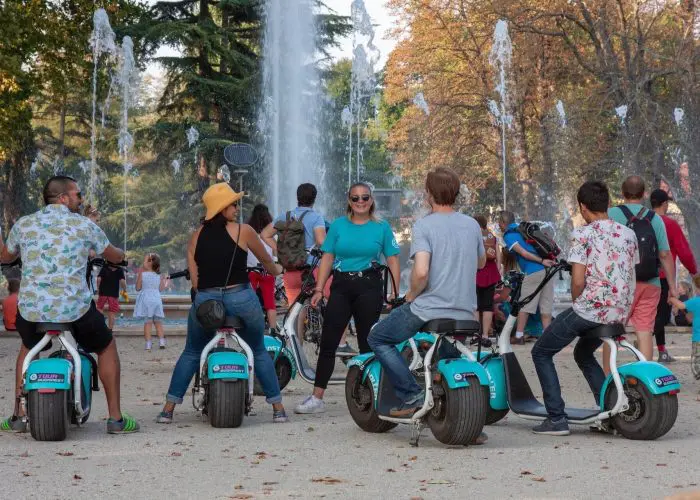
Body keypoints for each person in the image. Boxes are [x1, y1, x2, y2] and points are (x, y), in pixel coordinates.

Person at [0, 175, 139, 434]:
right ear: (63, 198)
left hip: (31, 311)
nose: (81, 199)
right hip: (75, 310)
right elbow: (113, 254)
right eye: (77, 195)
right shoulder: (84, 225)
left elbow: (6, 255)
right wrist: (121, 258)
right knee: (106, 346)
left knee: (28, 348)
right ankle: (116, 419)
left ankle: (18, 416)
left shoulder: (24, 224)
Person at [156, 182, 288, 424]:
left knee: (192, 351)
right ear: (221, 208)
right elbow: (268, 263)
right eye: (232, 204)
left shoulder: (196, 236)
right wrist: (280, 268)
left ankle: (168, 409)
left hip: (206, 300)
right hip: (241, 298)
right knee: (258, 348)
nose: (237, 208)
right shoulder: (244, 231)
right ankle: (278, 408)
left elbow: (195, 282)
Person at [368, 168, 486, 418]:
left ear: (428, 194)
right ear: (456, 193)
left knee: (379, 338)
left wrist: (409, 295)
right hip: (464, 309)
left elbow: (421, 273)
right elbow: (481, 263)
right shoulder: (472, 224)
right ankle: (454, 412)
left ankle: (411, 395)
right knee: (445, 361)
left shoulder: (424, 225)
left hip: (430, 307)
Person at [531, 181, 638, 436]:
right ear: (608, 204)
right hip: (619, 311)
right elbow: (630, 274)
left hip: (591, 310)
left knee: (541, 352)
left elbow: (578, 281)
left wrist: (578, 304)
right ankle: (609, 412)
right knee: (582, 353)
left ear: (582, 207)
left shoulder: (582, 234)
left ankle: (556, 418)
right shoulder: (628, 234)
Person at [294, 182, 400, 414]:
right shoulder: (339, 225)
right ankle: (317, 397)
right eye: (355, 198)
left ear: (371, 200)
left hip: (369, 286)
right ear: (349, 201)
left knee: (367, 343)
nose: (360, 202)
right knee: (329, 341)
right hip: (341, 285)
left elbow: (392, 259)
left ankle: (369, 395)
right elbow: (328, 258)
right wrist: (320, 288)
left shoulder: (381, 227)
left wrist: (394, 291)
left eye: (365, 198)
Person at [261, 183, 350, 355]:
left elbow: (265, 234)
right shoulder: (315, 217)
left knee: (296, 310)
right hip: (313, 271)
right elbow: (322, 242)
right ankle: (341, 343)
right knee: (340, 300)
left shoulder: (285, 215)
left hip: (291, 272)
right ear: (314, 199)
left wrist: (278, 250)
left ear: (297, 197)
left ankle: (296, 349)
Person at [607, 176, 677, 371]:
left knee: (610, 331)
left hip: (619, 284)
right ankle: (644, 379)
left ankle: (607, 379)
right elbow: (664, 254)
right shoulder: (655, 219)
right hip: (650, 282)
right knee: (645, 331)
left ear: (622, 193)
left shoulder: (610, 214)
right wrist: (672, 287)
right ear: (644, 193)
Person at [650, 188, 698, 363]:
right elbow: (684, 252)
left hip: (643, 276)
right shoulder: (669, 224)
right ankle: (661, 352)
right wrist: (694, 272)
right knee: (660, 316)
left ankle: (649, 350)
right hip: (663, 276)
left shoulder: (644, 221)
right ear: (665, 204)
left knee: (649, 315)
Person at [499, 211, 556, 344]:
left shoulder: (509, 235)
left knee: (524, 304)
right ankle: (546, 336)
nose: (499, 227)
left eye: (499, 224)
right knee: (545, 305)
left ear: (503, 223)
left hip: (534, 270)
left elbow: (523, 253)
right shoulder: (523, 229)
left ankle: (519, 336)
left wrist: (541, 261)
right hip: (549, 270)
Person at [247, 204, 278, 334]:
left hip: (251, 271)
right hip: (267, 271)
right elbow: (276, 256)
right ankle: (273, 330)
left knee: (249, 302)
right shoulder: (272, 236)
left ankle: (250, 328)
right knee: (270, 303)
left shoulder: (248, 234)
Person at [668, 275, 700, 381]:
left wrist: (672, 298)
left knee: (697, 364)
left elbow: (681, 306)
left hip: (698, 339)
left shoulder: (696, 301)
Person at [134, 253, 167, 351]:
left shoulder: (142, 274)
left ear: (149, 263)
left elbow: (138, 288)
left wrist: (139, 278)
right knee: (158, 322)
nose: (143, 262)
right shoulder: (159, 275)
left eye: (145, 260)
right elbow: (161, 289)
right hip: (156, 300)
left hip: (147, 301)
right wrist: (165, 281)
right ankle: (162, 341)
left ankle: (148, 344)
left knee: (148, 323)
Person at [475, 215, 500, 338]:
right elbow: (498, 259)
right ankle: (485, 335)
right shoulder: (492, 238)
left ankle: (475, 334)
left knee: (475, 305)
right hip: (490, 274)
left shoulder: (472, 237)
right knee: (487, 306)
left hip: (475, 274)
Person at [97, 262, 127, 331]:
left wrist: (98, 289)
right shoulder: (119, 270)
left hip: (103, 293)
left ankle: (101, 326)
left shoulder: (104, 268)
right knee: (112, 311)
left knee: (100, 308)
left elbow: (99, 279)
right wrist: (125, 290)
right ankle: (110, 329)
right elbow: (122, 281)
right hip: (113, 294)